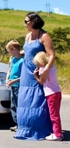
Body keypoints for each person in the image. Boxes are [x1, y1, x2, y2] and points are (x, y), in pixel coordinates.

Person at [14, 12, 54, 140]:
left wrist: (47, 69)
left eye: (26, 21)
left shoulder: (44, 36)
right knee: (25, 99)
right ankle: (25, 128)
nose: (25, 24)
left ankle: (38, 129)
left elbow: (51, 55)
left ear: (33, 22)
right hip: (26, 72)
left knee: (37, 100)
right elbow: (27, 51)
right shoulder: (27, 36)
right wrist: (16, 54)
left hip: (38, 71)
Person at [33, 51, 63, 141]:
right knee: (56, 114)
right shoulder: (52, 67)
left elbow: (42, 81)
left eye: (38, 63)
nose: (37, 65)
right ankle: (58, 132)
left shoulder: (43, 69)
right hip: (57, 92)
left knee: (53, 115)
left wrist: (35, 75)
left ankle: (57, 134)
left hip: (51, 94)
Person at [5, 40, 23, 132]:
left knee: (18, 104)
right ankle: (16, 123)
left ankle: (20, 124)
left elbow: (23, 76)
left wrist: (14, 81)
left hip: (18, 85)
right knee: (13, 105)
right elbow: (9, 69)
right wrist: (7, 78)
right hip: (12, 85)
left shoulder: (21, 61)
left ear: (14, 49)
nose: (9, 53)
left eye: (9, 51)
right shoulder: (12, 59)